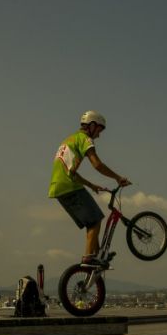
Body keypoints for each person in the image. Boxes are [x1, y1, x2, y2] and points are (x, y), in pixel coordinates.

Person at [48, 111, 131, 266]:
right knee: (95, 222)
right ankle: (88, 257)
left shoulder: (69, 139)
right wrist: (118, 178)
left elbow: (71, 171)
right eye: (99, 130)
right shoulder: (85, 139)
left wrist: (91, 185)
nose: (99, 135)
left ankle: (97, 255)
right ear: (92, 125)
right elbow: (97, 164)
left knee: (91, 222)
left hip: (58, 187)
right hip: (69, 186)